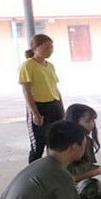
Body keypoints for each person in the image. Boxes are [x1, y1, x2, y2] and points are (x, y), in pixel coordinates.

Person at [19, 34, 65, 164]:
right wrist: (35, 113)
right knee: (38, 145)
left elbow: (55, 88)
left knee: (55, 143)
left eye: (51, 48)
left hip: (54, 106)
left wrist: (62, 108)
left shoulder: (49, 65)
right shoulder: (27, 66)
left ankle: (52, 171)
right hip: (39, 107)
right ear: (35, 48)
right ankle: (32, 174)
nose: (49, 51)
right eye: (46, 48)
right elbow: (26, 91)